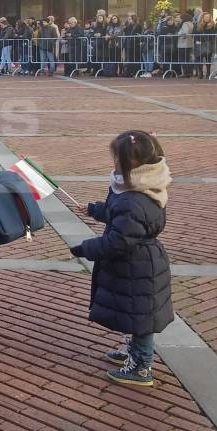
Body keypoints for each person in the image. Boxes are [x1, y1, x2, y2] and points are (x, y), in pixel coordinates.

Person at [70, 131, 173, 387]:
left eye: (115, 156)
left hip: (136, 264)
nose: (112, 160)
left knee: (141, 317)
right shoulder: (140, 187)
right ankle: (134, 352)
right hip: (137, 262)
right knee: (135, 312)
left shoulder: (133, 199)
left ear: (128, 163)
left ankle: (141, 367)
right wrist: (95, 209)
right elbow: (121, 216)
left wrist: (86, 248)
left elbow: (120, 239)